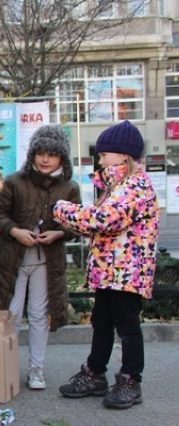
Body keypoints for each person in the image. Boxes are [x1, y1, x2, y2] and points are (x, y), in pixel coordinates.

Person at [53, 120, 159, 409]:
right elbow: (97, 226)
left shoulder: (135, 186)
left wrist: (62, 208)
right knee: (102, 322)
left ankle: (130, 380)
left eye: (103, 155)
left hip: (127, 272)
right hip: (109, 271)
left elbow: (105, 220)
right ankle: (95, 373)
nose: (99, 160)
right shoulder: (116, 186)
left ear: (122, 155)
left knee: (127, 326)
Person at [0, 125, 80, 390]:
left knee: (38, 315)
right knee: (10, 314)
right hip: (12, 260)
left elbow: (76, 224)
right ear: (32, 154)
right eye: (41, 153)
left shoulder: (69, 188)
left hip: (46, 262)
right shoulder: (14, 182)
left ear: (62, 158)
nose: (45, 159)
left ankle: (37, 369)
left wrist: (58, 234)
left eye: (52, 154)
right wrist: (15, 230)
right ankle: (6, 365)